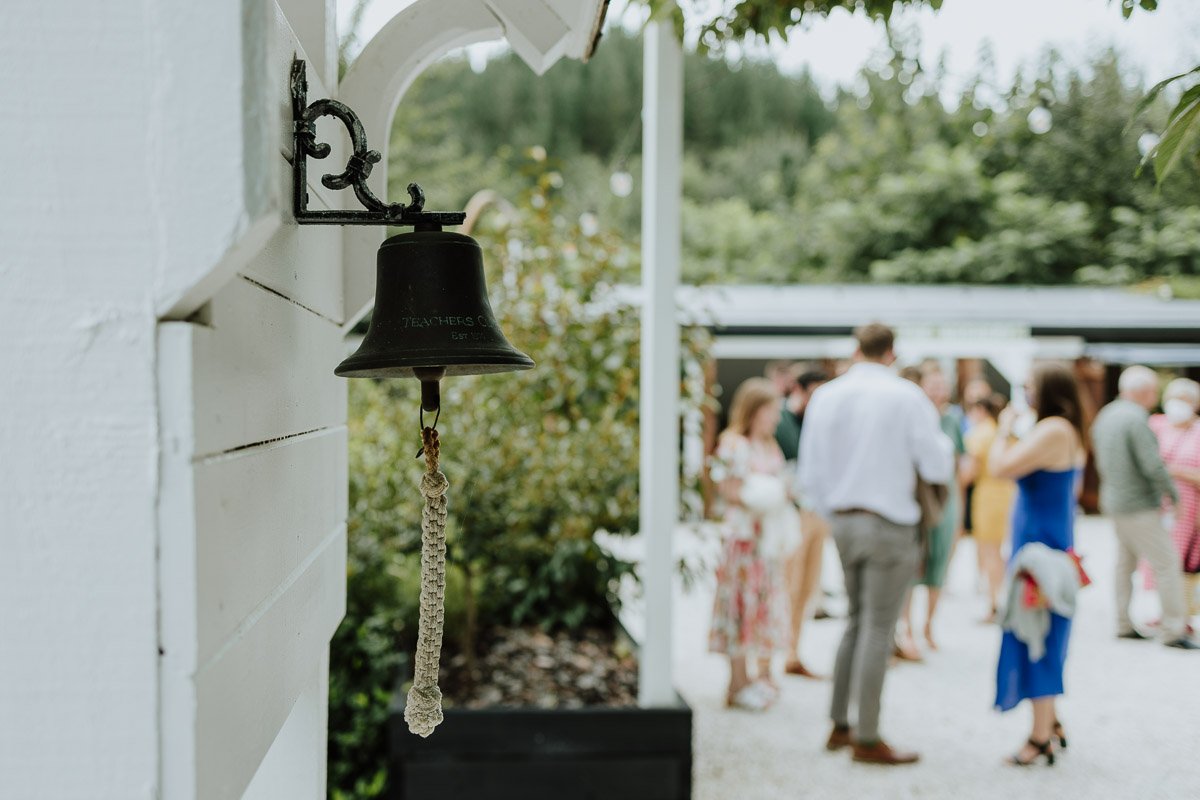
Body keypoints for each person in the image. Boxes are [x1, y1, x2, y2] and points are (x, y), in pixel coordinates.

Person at [799, 323, 954, 765]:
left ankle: (839, 723)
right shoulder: (905, 396)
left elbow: (811, 472)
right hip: (888, 522)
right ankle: (867, 736)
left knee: (855, 620)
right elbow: (937, 465)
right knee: (878, 628)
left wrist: (833, 512)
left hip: (844, 520)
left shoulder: (828, 395)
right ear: (891, 352)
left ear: (857, 349)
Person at [989, 362, 1087, 766]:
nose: (1024, 392)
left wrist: (1003, 429)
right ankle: (1051, 722)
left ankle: (1040, 736)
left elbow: (998, 467)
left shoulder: (1053, 429)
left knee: (1037, 636)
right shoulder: (1063, 430)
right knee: (1038, 632)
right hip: (1044, 546)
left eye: (1029, 385)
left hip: (1040, 555)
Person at [1091, 366, 1198, 650]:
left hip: (1115, 501)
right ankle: (1173, 629)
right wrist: (1174, 496)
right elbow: (1152, 465)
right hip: (1138, 504)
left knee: (1124, 564)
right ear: (1145, 391)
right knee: (1167, 563)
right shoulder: (1137, 419)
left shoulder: (1107, 415)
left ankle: (1122, 623)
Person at [708, 378, 793, 710]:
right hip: (744, 542)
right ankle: (737, 681)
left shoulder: (770, 445)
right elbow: (728, 490)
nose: (775, 418)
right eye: (771, 411)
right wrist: (766, 494)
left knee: (762, 607)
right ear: (755, 411)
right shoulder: (733, 444)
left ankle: (758, 676)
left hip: (766, 543)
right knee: (739, 608)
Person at [899, 367, 965, 653]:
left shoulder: (953, 419)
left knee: (940, 563)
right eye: (932, 385)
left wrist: (959, 507)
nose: (938, 391)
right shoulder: (913, 415)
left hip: (946, 496)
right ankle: (907, 628)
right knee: (913, 563)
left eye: (941, 385)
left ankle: (928, 625)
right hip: (917, 496)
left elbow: (959, 465)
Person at [776, 366, 831, 678]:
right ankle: (778, 651)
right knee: (789, 584)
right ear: (799, 390)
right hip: (791, 513)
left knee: (808, 586)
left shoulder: (818, 420)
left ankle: (793, 651)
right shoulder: (781, 420)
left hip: (816, 512)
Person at [1148, 378, 1200, 621]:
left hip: (1189, 510)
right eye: (1173, 398)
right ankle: (1165, 612)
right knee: (1158, 561)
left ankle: (1181, 616)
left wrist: (1175, 471)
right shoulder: (1157, 425)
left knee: (1182, 563)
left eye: (1183, 399)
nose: (1177, 404)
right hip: (1159, 508)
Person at [962, 394, 1017, 621]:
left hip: (987, 497)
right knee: (998, 551)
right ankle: (1000, 600)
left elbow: (969, 472)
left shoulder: (980, 434)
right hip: (1008, 494)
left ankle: (995, 604)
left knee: (990, 552)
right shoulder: (1005, 434)